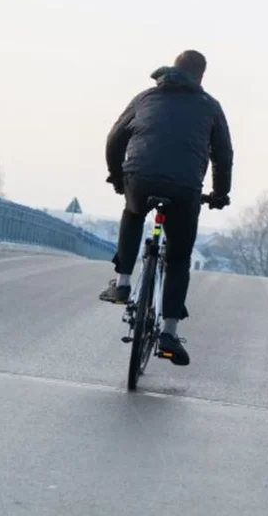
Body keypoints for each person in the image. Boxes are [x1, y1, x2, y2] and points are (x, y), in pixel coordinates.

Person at [101, 49, 233, 367]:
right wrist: (220, 193)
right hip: (185, 187)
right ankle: (170, 334)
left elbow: (114, 138)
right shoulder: (210, 106)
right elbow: (224, 153)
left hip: (140, 176)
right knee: (177, 257)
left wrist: (118, 177)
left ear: (171, 69)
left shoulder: (146, 97)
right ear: (201, 76)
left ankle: (122, 284)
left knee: (133, 213)